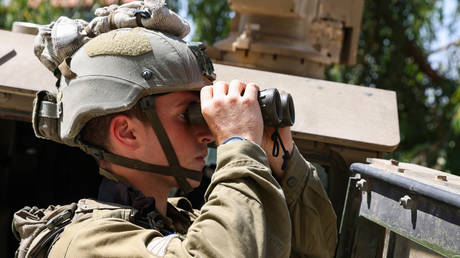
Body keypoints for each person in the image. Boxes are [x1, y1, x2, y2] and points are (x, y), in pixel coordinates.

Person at [12, 1, 337, 257]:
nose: (209, 133)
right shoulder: (87, 243)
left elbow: (315, 249)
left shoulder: (186, 222)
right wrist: (238, 142)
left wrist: (282, 161)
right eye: (189, 115)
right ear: (126, 133)